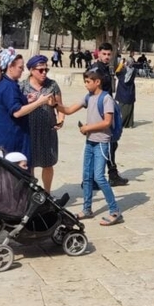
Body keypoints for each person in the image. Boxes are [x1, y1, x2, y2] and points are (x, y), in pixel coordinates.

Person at [57, 69, 124, 226]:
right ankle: (87, 209)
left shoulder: (106, 99)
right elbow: (69, 110)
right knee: (87, 176)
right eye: (85, 81)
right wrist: (55, 105)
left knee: (99, 177)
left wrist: (87, 128)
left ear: (97, 82)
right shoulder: (88, 97)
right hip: (90, 142)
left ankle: (115, 210)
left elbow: (107, 122)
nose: (86, 85)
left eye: (88, 81)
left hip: (101, 143)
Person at [0, 48, 54, 166]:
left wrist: (26, 99)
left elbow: (9, 104)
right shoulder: (8, 87)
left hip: (1, 138)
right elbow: (17, 112)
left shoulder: (5, 83)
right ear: (10, 67)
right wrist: (39, 102)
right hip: (7, 141)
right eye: (20, 68)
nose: (22, 71)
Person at [20, 55, 64, 193]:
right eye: (40, 70)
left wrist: (61, 119)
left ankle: (47, 193)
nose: (44, 72)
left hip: (47, 131)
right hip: (28, 131)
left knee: (48, 163)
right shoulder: (22, 86)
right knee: (29, 164)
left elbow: (60, 106)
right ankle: (32, 193)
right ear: (31, 70)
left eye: (46, 69)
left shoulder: (52, 85)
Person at [89, 42, 128, 186]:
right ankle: (105, 176)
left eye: (108, 54)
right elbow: (92, 90)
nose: (106, 57)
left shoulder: (104, 68)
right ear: (98, 53)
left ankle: (100, 176)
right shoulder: (95, 69)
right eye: (104, 54)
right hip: (100, 111)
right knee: (107, 143)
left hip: (106, 108)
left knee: (109, 144)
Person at [114, 51, 138, 129]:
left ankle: (121, 123)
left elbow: (116, 72)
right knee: (130, 109)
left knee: (122, 109)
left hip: (122, 93)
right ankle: (129, 124)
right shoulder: (134, 71)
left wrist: (121, 64)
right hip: (130, 92)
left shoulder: (123, 71)